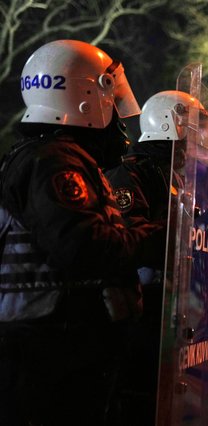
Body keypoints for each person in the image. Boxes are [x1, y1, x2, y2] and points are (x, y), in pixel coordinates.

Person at [0, 40, 165, 426]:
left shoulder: (58, 156)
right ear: (85, 99)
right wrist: (165, 238)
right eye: (111, 99)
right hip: (46, 351)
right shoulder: (53, 162)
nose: (120, 121)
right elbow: (87, 245)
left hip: (55, 346)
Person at [105, 90, 208, 424]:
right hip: (142, 307)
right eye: (191, 131)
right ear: (171, 125)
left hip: (172, 303)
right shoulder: (134, 172)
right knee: (140, 398)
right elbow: (131, 236)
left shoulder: (172, 174)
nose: (195, 141)